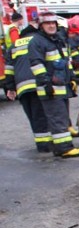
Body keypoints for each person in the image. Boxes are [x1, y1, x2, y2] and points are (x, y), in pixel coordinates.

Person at [28, 11, 79, 158]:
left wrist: (72, 78)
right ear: (41, 26)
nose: (51, 26)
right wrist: (46, 83)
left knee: (63, 117)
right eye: (48, 23)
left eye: (53, 23)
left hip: (61, 86)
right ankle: (64, 148)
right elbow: (36, 64)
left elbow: (66, 61)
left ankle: (61, 147)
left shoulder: (57, 40)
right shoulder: (36, 42)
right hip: (50, 88)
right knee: (57, 118)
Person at [3, 13, 52, 152]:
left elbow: (9, 69)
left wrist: (10, 88)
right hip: (37, 83)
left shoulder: (14, 45)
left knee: (32, 115)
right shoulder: (38, 42)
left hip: (22, 87)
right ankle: (45, 145)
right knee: (41, 115)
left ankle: (41, 143)